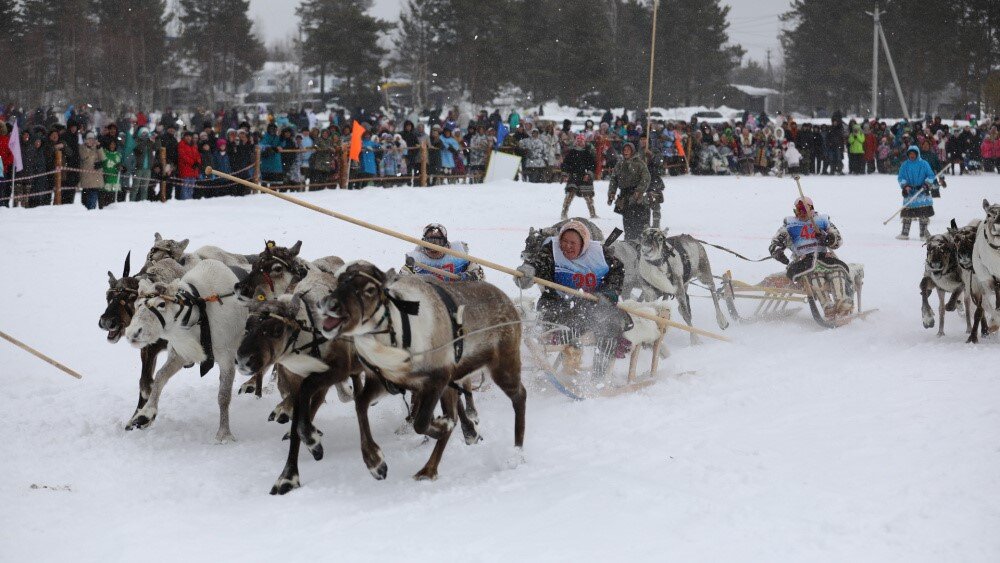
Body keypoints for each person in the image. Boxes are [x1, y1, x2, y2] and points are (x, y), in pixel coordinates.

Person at [515, 220, 627, 379]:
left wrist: (607, 294)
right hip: (557, 304)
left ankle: (600, 377)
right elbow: (538, 263)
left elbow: (617, 272)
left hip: (590, 305)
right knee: (570, 327)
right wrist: (529, 271)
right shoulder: (552, 251)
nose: (567, 246)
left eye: (572, 243)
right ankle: (569, 374)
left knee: (610, 326)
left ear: (583, 244)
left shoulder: (600, 254)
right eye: (564, 241)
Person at [769, 196, 852, 317]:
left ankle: (842, 302)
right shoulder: (790, 224)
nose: (801, 215)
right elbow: (776, 242)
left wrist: (829, 238)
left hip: (825, 258)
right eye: (798, 211)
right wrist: (777, 251)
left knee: (836, 272)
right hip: (804, 261)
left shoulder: (822, 221)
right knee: (815, 276)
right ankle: (827, 306)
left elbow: (837, 240)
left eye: (804, 211)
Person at [402, 224, 484, 281]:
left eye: (438, 242)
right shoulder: (416, 260)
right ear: (423, 243)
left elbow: (479, 273)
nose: (433, 248)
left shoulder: (457, 254)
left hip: (457, 296)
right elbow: (401, 281)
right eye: (430, 242)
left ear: (445, 242)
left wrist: (469, 276)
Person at [607, 142, 651, 241]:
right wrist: (612, 192)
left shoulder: (639, 163)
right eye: (624, 150)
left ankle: (640, 240)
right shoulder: (620, 164)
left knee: (639, 222)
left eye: (628, 149)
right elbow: (614, 179)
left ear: (632, 151)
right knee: (627, 222)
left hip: (636, 197)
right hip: (624, 197)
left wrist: (639, 190)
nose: (626, 151)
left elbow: (646, 177)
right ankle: (629, 241)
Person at [895, 145, 937, 240]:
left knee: (923, 214)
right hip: (910, 193)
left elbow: (931, 176)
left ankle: (923, 234)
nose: (912, 155)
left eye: (914, 154)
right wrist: (905, 186)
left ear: (917, 154)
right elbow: (900, 177)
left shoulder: (924, 164)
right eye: (910, 154)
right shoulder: (905, 165)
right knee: (907, 215)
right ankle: (904, 233)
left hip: (922, 193)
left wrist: (926, 184)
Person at [560, 134, 597, 220]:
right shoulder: (571, 152)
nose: (579, 143)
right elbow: (565, 164)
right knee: (570, 193)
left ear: (584, 142)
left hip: (585, 176)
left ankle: (593, 213)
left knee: (588, 196)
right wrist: (565, 173)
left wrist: (588, 174)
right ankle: (564, 212)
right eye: (578, 141)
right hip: (573, 176)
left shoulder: (587, 153)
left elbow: (592, 165)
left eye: (581, 141)